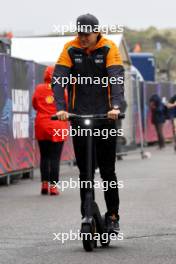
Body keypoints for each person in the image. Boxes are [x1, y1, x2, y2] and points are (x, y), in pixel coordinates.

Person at [52, 14, 125, 233]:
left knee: (107, 171)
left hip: (105, 118)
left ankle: (112, 216)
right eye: (80, 33)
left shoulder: (109, 48)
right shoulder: (70, 49)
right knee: (85, 172)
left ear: (96, 32)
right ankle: (86, 212)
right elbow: (59, 80)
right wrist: (60, 108)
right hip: (80, 118)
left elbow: (116, 78)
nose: (83, 38)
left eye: (87, 34)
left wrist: (116, 107)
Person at [32, 66, 68, 195]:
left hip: (42, 125)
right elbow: (66, 106)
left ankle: (44, 184)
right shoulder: (61, 89)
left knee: (44, 156)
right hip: (58, 125)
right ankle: (53, 187)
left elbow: (35, 104)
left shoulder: (39, 88)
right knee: (55, 157)